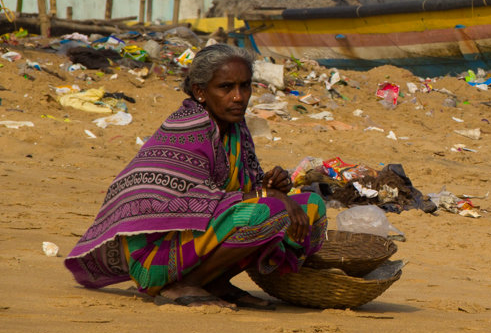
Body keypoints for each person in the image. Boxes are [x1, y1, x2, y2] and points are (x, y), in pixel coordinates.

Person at [65, 44, 326, 308]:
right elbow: (190, 201)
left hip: (201, 241)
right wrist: (268, 196)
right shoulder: (190, 125)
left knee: (311, 205)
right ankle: (181, 285)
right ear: (200, 92)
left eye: (245, 86)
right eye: (226, 87)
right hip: (156, 254)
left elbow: (244, 188)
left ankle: (215, 282)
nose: (239, 97)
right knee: (266, 211)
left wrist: (270, 185)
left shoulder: (235, 127)